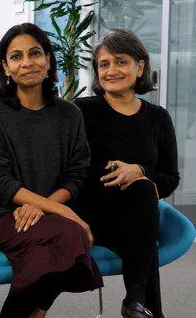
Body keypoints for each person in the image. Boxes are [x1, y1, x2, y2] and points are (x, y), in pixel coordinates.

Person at [0, 23, 103, 318]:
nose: (27, 62)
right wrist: (64, 212)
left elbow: (77, 174)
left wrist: (47, 208)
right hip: (6, 216)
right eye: (16, 57)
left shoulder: (70, 113)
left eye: (35, 53)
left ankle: (36, 311)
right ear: (6, 68)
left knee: (44, 253)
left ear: (48, 60)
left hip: (49, 212)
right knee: (73, 235)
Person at [75, 29, 180, 318]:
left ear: (140, 66)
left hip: (135, 218)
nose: (111, 70)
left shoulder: (158, 118)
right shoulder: (82, 111)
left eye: (120, 61)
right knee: (145, 228)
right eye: (103, 64)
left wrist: (141, 171)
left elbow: (170, 178)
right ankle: (140, 304)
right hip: (92, 214)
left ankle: (135, 302)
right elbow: (71, 170)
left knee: (144, 192)